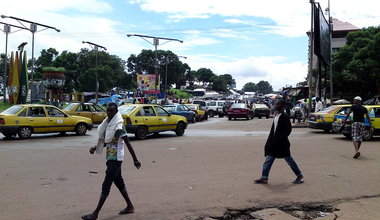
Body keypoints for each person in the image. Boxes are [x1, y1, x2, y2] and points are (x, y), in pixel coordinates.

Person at [82, 103, 141, 220]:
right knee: (119, 182)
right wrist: (96, 147)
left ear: (115, 112)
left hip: (116, 160)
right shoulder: (109, 125)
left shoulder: (119, 127)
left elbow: (128, 143)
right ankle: (130, 206)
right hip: (110, 159)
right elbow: (108, 141)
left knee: (106, 185)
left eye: (111, 111)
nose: (108, 113)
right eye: (107, 111)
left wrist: (135, 160)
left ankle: (95, 213)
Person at [254, 99, 304, 184]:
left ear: (282, 106)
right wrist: (270, 140)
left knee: (289, 160)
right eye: (276, 104)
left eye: (277, 104)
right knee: (268, 159)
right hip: (274, 143)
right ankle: (264, 178)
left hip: (282, 144)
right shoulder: (277, 115)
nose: (275, 105)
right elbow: (273, 130)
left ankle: (300, 176)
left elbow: (288, 130)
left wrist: (279, 139)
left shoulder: (284, 116)